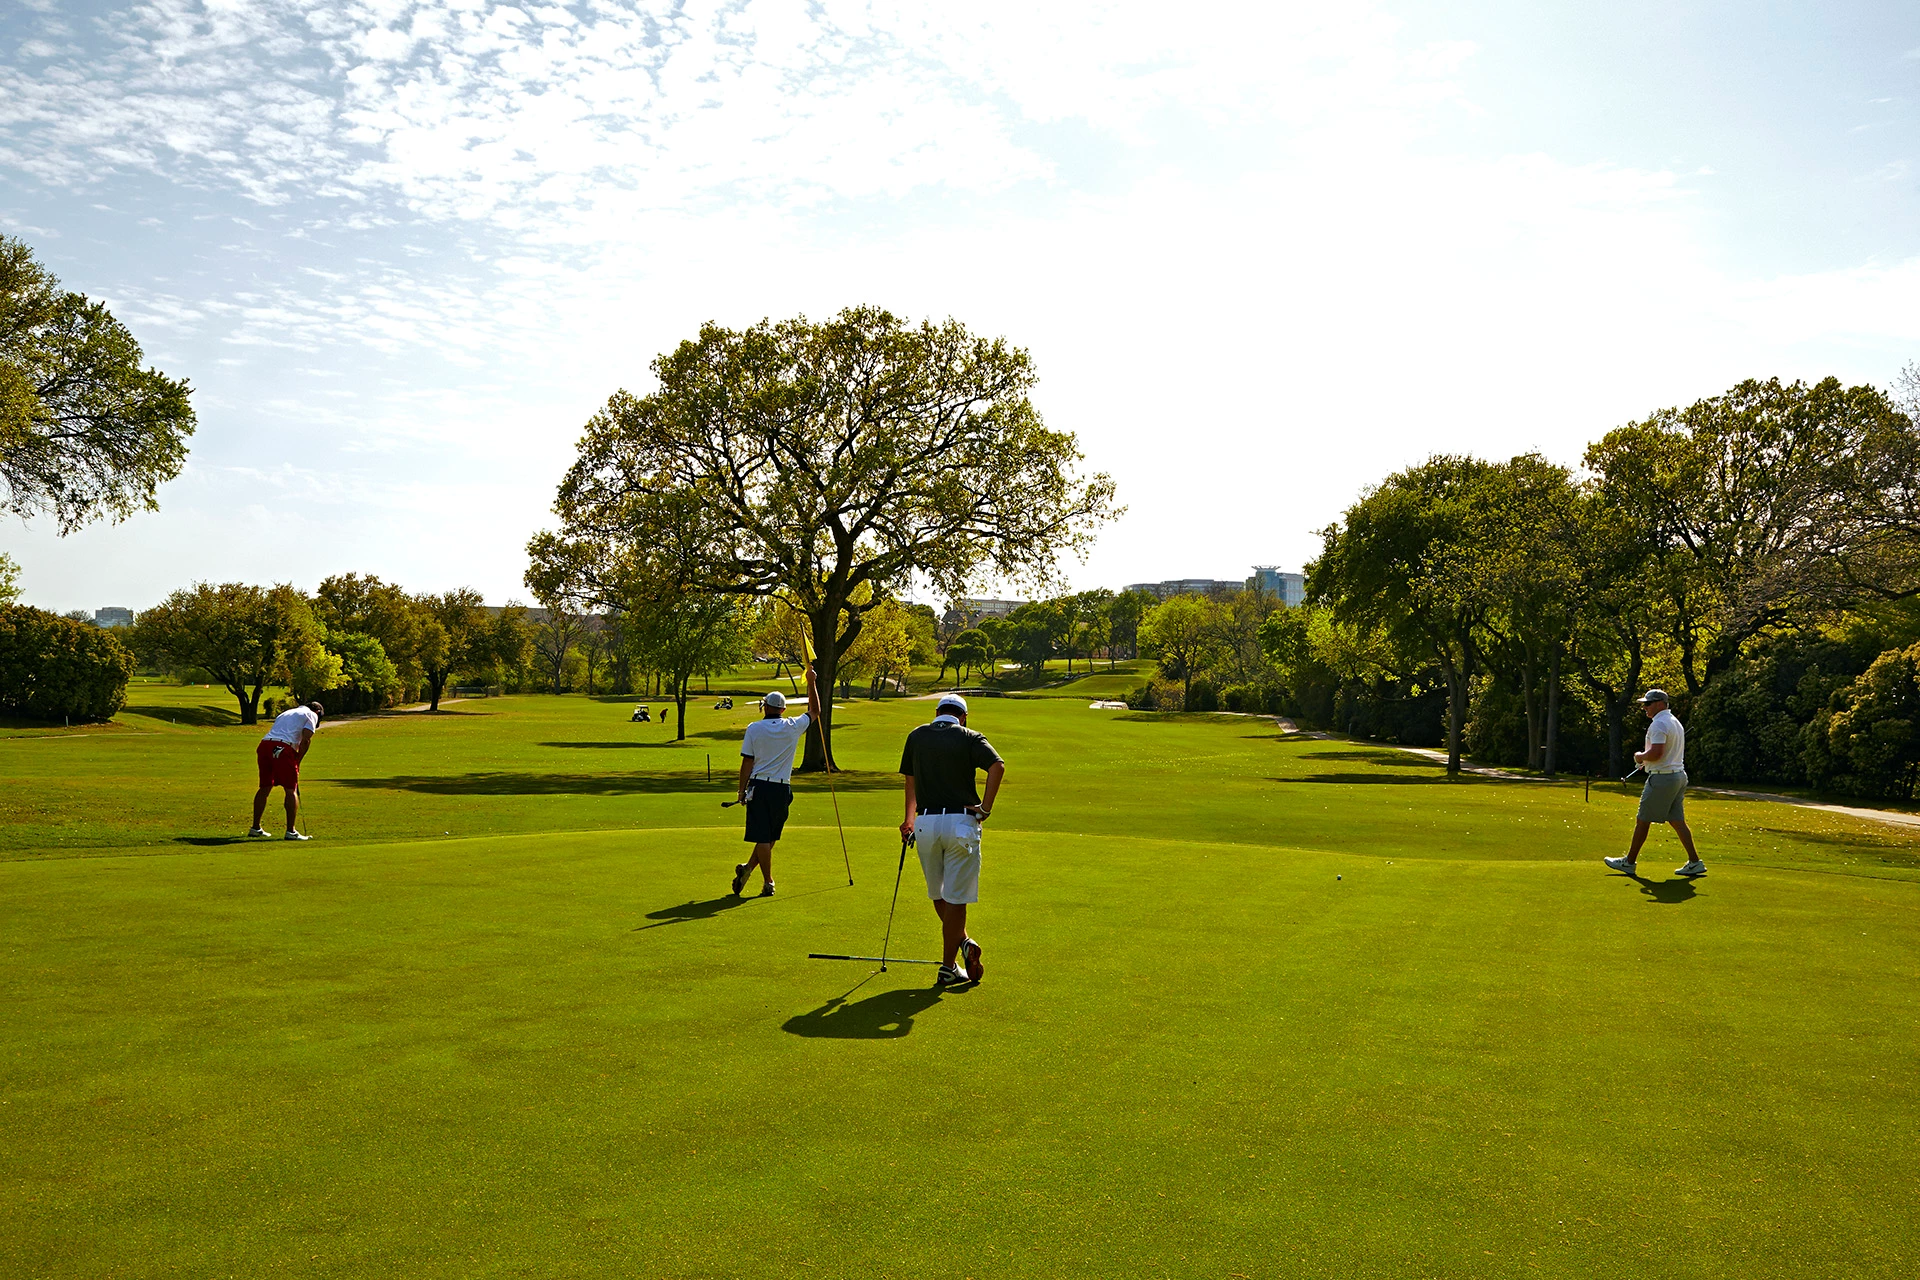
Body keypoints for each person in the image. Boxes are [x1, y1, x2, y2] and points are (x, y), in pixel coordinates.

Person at [898, 693, 1006, 987]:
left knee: (940, 896)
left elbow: (911, 781)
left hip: (926, 823)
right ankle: (948, 967)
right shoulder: (970, 736)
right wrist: (985, 808)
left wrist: (909, 819)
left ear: (937, 712)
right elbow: (997, 766)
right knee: (956, 899)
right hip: (961, 823)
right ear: (963, 716)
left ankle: (964, 946)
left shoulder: (917, 735)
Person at [733, 668, 822, 897]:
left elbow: (747, 763)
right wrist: (811, 682)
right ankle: (749, 870)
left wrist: (741, 791)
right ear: (783, 709)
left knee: (764, 837)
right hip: (782, 788)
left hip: (759, 786)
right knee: (770, 836)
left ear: (765, 707)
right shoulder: (792, 726)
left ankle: (767, 881)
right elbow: (815, 711)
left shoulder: (754, 728)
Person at [1606, 689, 1705, 878]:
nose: (1644, 707)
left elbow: (1657, 753)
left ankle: (1629, 862)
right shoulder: (1673, 721)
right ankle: (1695, 862)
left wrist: (1639, 756)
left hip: (1663, 778)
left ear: (1660, 703)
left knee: (1642, 820)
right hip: (1677, 776)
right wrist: (1648, 761)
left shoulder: (1659, 724)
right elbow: (1662, 754)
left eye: (1648, 704)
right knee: (1677, 821)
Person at [248, 700, 324, 841]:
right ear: (318, 712)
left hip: (264, 745)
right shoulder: (311, 714)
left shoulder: (286, 713)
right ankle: (291, 831)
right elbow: (306, 739)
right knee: (290, 789)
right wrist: (298, 761)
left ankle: (255, 828)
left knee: (265, 786)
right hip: (282, 747)